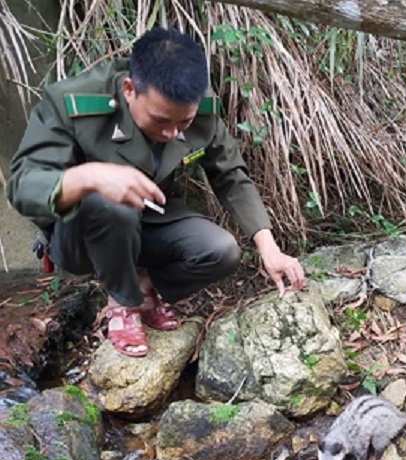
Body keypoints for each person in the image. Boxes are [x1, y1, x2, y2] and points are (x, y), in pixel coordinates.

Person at [7, 27, 305, 358]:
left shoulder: (194, 107)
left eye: (183, 123)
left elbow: (230, 175)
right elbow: (22, 184)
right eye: (161, 120)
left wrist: (269, 247)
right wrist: (90, 176)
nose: (172, 133)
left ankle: (144, 286)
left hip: (149, 219)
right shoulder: (72, 102)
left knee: (221, 251)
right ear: (129, 89)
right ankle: (123, 300)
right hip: (80, 234)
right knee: (111, 204)